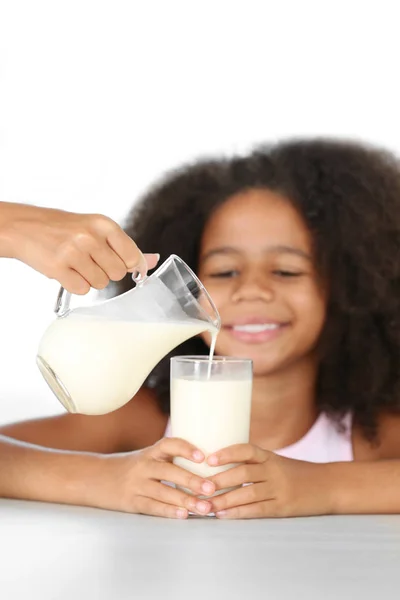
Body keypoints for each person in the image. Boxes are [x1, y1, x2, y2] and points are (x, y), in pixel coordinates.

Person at [2, 138, 400, 520]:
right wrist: (104, 479)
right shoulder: (140, 421)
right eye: (225, 271)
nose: (253, 291)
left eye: (286, 271)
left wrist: (321, 488)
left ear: (352, 288)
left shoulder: (368, 435)